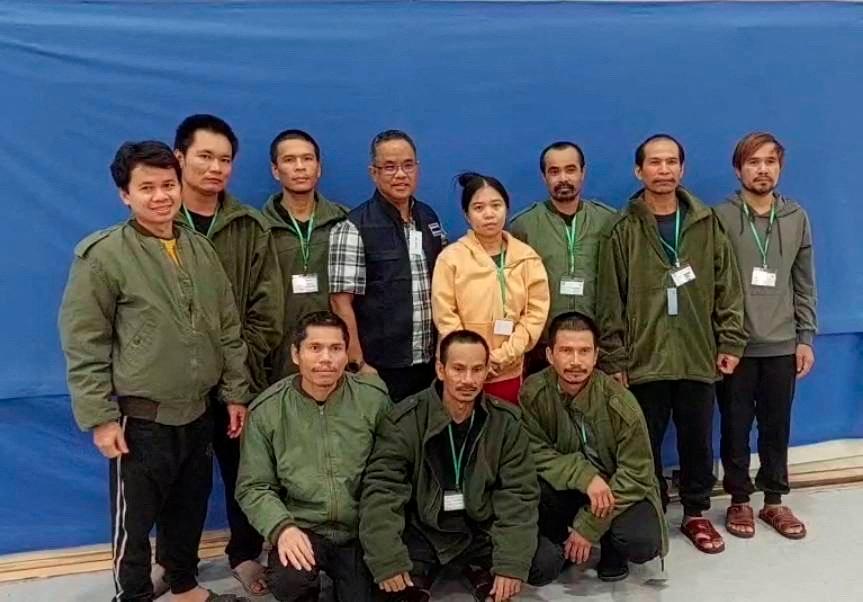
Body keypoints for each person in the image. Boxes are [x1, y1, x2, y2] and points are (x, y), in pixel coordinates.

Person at [59, 141, 250, 602]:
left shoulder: (200, 250)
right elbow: (85, 342)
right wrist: (101, 417)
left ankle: (184, 585)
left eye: (168, 185)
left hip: (199, 412)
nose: (161, 196)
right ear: (125, 194)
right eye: (147, 187)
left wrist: (235, 393)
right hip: (140, 419)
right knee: (135, 520)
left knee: (189, 507)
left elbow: (227, 328)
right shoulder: (103, 256)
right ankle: (134, 594)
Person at [596, 134, 747, 555]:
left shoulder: (705, 222)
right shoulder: (622, 229)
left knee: (697, 439)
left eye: (671, 162)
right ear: (638, 170)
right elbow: (610, 298)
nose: (663, 170)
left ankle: (696, 513)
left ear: (682, 168)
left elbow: (727, 287)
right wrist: (614, 357)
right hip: (643, 360)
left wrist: (731, 339)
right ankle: (650, 507)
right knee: (643, 440)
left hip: (698, 354)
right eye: (654, 162)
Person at [359, 330, 563, 602]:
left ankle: (477, 568)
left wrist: (511, 564)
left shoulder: (507, 423)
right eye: (458, 369)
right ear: (440, 370)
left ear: (487, 371)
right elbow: (382, 492)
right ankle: (424, 572)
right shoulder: (404, 421)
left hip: (479, 530)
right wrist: (388, 560)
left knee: (544, 561)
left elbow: (519, 495)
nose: (468, 380)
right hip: (423, 530)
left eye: (477, 369)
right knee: (375, 571)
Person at [171, 114, 283, 596]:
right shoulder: (156, 221)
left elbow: (268, 307)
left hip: (240, 381)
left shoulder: (249, 225)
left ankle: (244, 554)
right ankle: (176, 565)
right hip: (175, 386)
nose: (215, 168)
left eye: (225, 159)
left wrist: (238, 364)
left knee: (245, 473)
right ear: (179, 158)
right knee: (181, 480)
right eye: (205, 156)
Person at [236, 311, 391, 602]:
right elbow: (253, 486)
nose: (326, 359)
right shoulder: (268, 410)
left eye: (335, 349)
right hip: (303, 527)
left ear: (347, 354)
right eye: (315, 348)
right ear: (296, 354)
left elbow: (393, 471)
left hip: (361, 529)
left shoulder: (373, 400)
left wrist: (382, 529)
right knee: (289, 582)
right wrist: (282, 528)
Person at [714, 132, 817, 540]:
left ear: (780, 167)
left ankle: (774, 500)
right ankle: (739, 499)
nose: (762, 169)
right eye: (753, 162)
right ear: (738, 169)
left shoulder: (796, 218)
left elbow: (804, 282)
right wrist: (720, 340)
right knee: (735, 425)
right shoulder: (719, 217)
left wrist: (805, 336)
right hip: (735, 346)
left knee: (777, 425)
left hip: (782, 344)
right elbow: (712, 285)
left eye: (770, 161)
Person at [520, 312, 667, 582]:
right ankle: (560, 542)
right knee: (533, 489)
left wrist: (590, 526)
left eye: (584, 351)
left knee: (641, 540)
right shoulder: (533, 393)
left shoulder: (621, 403)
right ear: (551, 355)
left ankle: (612, 545)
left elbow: (638, 473)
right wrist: (585, 476)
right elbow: (533, 451)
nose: (575, 361)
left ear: (596, 355)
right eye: (566, 350)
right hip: (569, 487)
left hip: (615, 490)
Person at [329, 130, 446, 402]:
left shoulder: (429, 218)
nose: (400, 174)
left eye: (408, 165)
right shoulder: (354, 226)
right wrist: (357, 362)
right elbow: (340, 302)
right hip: (380, 368)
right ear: (374, 172)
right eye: (389, 167)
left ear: (417, 168)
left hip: (429, 363)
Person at [432, 172, 549, 404]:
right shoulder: (451, 258)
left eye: (496, 205)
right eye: (478, 207)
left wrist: (505, 355)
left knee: (505, 432)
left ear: (506, 208)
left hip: (509, 370)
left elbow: (535, 314)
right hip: (462, 372)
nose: (489, 214)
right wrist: (473, 359)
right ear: (467, 215)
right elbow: (446, 316)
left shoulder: (527, 258)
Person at [509, 142, 615, 374]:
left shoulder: (608, 221)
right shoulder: (523, 226)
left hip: (596, 347)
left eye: (570, 169)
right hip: (541, 348)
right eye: (554, 171)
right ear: (544, 176)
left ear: (582, 172)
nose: (563, 178)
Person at [262, 129, 348, 382]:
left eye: (307, 159)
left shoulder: (344, 223)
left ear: (318, 168)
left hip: (333, 355)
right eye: (289, 160)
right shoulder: (258, 227)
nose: (300, 167)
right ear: (275, 171)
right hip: (277, 356)